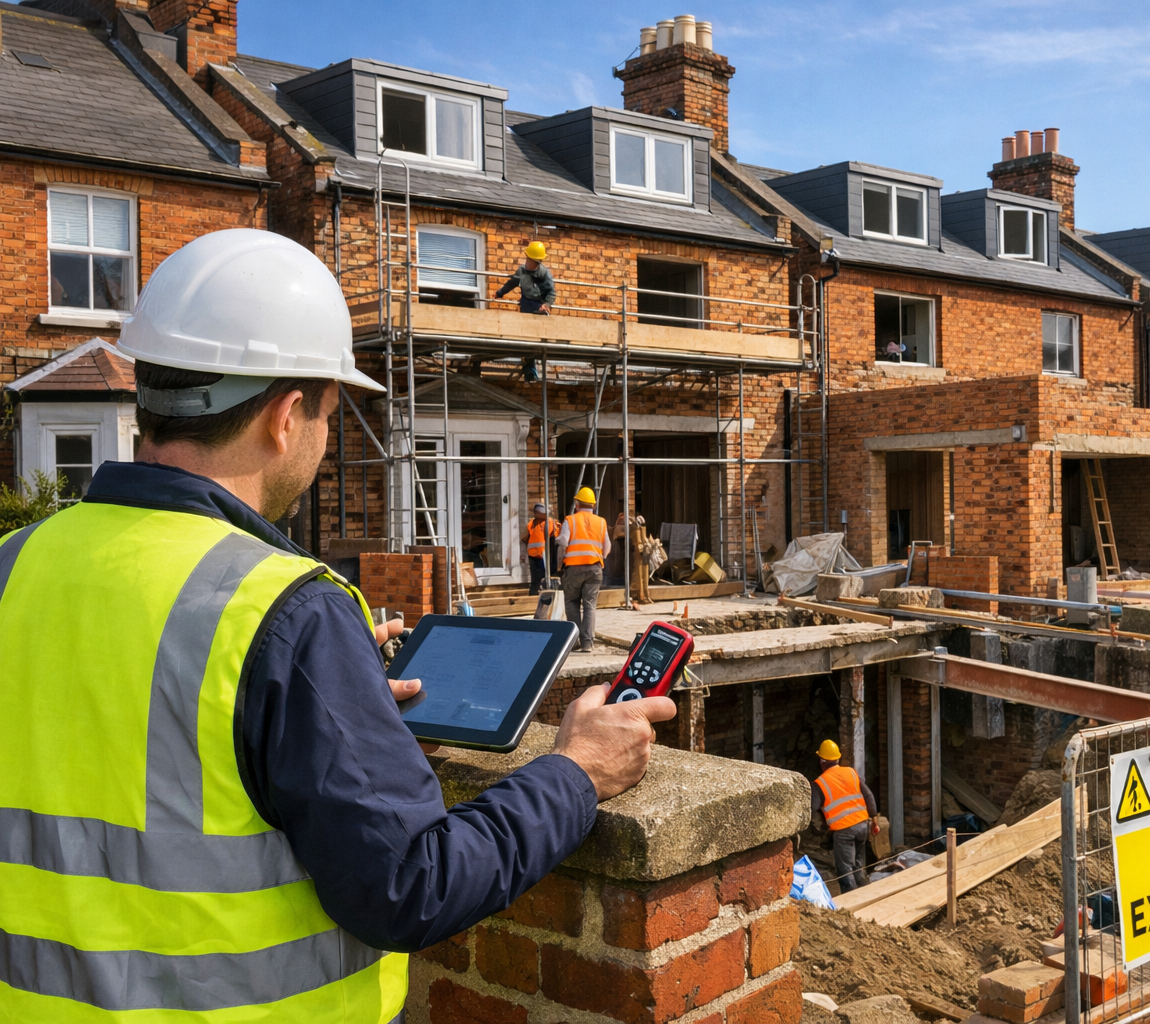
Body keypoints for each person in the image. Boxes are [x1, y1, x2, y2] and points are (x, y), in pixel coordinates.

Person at [0, 229, 675, 1022]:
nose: (325, 437)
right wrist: (576, 774)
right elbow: (410, 887)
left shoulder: (16, 561)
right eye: (327, 412)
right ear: (287, 417)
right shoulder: (284, 608)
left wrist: (326, 703)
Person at [811, 739, 880, 891]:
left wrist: (816, 829)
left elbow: (812, 808)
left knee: (845, 869)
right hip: (863, 825)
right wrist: (874, 821)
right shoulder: (851, 772)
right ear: (838, 758)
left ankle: (851, 904)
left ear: (822, 761)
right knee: (858, 864)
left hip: (844, 831)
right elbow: (869, 796)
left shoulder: (820, 783)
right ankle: (865, 894)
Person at [494, 240, 555, 382]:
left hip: (538, 305)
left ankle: (531, 365)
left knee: (535, 336)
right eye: (526, 258)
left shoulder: (544, 274)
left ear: (536, 261)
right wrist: (500, 293)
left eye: (529, 259)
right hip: (526, 303)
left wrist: (546, 305)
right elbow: (512, 283)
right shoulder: (522, 270)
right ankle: (528, 365)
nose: (527, 261)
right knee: (526, 335)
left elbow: (551, 292)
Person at [559, 485, 609, 652]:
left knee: (571, 602)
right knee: (590, 605)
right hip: (594, 569)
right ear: (593, 505)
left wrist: (560, 563)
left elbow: (563, 542)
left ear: (577, 504)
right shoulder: (601, 522)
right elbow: (607, 547)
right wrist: (598, 557)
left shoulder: (570, 520)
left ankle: (574, 642)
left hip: (573, 569)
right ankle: (587, 643)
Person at [525, 501, 558, 594]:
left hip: (543, 555)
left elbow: (554, 537)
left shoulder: (549, 522)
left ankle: (539, 595)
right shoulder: (532, 523)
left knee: (541, 579)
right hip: (534, 555)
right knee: (536, 581)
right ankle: (535, 596)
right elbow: (526, 537)